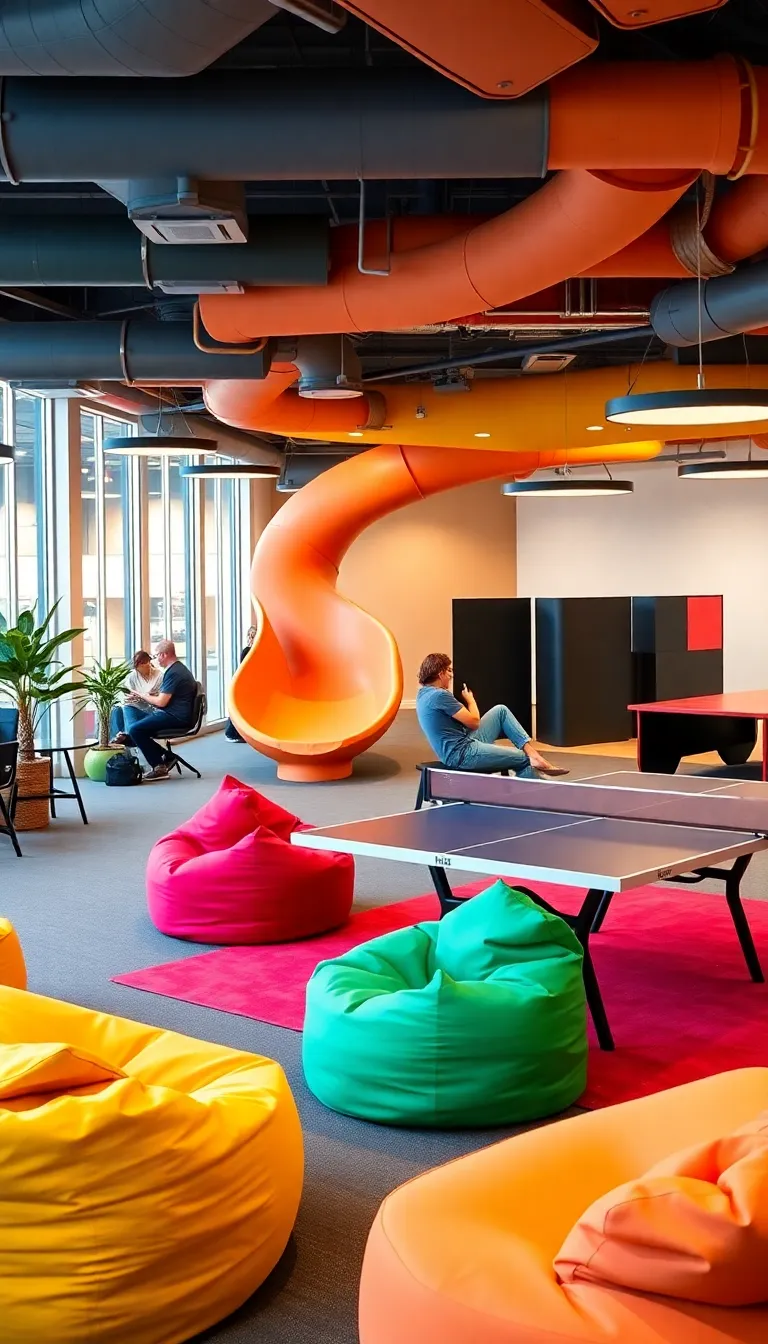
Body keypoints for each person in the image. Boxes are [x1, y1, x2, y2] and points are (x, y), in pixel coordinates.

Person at [415, 652, 568, 778]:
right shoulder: (440, 696)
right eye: (449, 670)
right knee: (521, 758)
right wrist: (471, 700)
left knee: (500, 711)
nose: (451, 675)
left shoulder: (422, 695)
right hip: (462, 754)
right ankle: (539, 797)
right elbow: (474, 722)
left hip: (461, 743)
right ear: (440, 673)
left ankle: (533, 754)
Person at [124, 640, 198, 780]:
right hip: (175, 712)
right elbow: (165, 698)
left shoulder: (173, 673)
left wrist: (143, 695)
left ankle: (159, 766)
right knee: (130, 711)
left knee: (136, 730)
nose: (156, 659)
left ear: (164, 655)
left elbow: (162, 702)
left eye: (157, 655)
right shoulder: (178, 669)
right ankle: (167, 756)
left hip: (175, 716)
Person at [109, 650, 163, 744]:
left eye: (143, 665)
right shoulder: (132, 676)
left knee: (135, 733)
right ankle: (126, 738)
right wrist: (129, 697)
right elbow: (125, 693)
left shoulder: (159, 675)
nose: (141, 670)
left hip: (152, 709)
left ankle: (125, 738)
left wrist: (143, 696)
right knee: (130, 727)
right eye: (138, 667)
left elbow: (161, 697)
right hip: (134, 706)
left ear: (149, 663)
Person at [224, 625, 257, 743]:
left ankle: (235, 732)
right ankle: (233, 732)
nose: (250, 638)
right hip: (248, 685)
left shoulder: (249, 651)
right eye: (250, 636)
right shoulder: (248, 651)